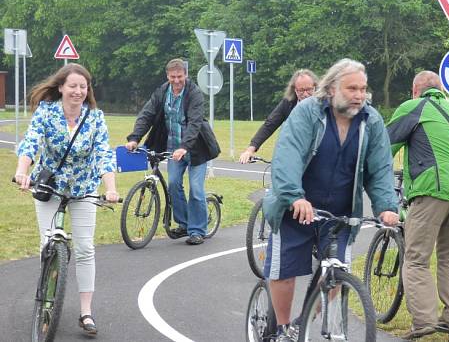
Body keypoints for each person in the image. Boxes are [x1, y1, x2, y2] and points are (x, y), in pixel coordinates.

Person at [262, 58, 399, 341]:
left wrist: (386, 206)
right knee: (284, 272)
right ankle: (282, 330)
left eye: (363, 89)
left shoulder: (370, 121)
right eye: (352, 89)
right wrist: (294, 196)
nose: (359, 95)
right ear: (332, 87)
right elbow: (287, 156)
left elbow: (380, 168)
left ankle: (302, 322)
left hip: (339, 213)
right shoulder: (307, 113)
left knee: (335, 274)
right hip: (295, 207)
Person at [14, 63, 119, 335]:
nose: (78, 91)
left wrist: (111, 188)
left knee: (85, 249)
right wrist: (22, 172)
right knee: (48, 242)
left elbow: (103, 154)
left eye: (83, 87)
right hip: (50, 187)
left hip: (83, 188)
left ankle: (86, 312)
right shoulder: (46, 113)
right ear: (61, 87)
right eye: (72, 86)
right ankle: (47, 294)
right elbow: (31, 142)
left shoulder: (95, 118)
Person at [386, 71, 449, 340]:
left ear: (416, 90)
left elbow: (382, 147)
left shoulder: (413, 107)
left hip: (431, 192)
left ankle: (424, 322)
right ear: (441, 89)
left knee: (416, 259)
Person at [126, 58, 217, 245]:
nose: (176, 80)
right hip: (173, 150)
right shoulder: (162, 92)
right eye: (173, 77)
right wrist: (135, 137)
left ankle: (198, 230)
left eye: (180, 76)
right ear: (167, 75)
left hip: (196, 151)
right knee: (174, 184)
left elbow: (195, 123)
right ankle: (184, 224)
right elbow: (147, 114)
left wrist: (184, 147)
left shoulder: (194, 94)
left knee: (196, 190)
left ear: (186, 75)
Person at [238, 69, 318, 163]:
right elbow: (270, 124)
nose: (305, 94)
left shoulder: (324, 104)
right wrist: (250, 150)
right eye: (301, 90)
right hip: (294, 155)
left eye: (309, 90)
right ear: (295, 90)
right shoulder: (288, 103)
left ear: (315, 87)